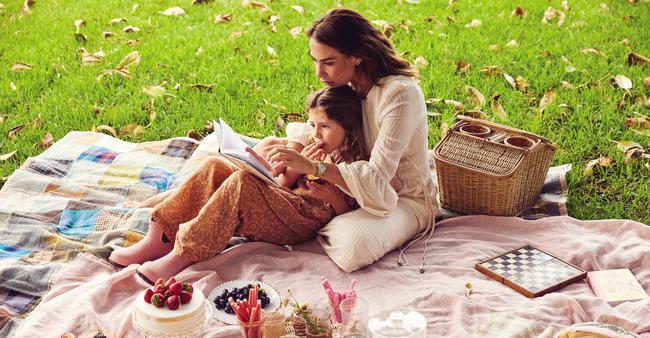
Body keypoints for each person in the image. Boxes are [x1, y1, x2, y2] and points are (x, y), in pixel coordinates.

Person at [109, 85, 367, 283]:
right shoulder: (312, 145)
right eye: (313, 124)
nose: (316, 133)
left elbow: (351, 214)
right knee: (215, 165)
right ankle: (161, 235)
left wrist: (333, 194)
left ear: (348, 128)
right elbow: (284, 182)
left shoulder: (354, 164)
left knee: (242, 182)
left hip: (301, 221)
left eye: (325, 126)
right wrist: (284, 168)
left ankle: (185, 252)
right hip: (283, 202)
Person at [266, 8, 438, 272]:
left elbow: (378, 177)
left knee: (355, 244)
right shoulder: (347, 82)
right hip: (355, 188)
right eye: (315, 60)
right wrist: (292, 154)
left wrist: (313, 168)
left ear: (357, 56)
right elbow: (315, 122)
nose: (319, 73)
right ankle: (326, 217)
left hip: (404, 199)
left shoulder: (400, 94)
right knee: (264, 150)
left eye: (328, 62)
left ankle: (325, 220)